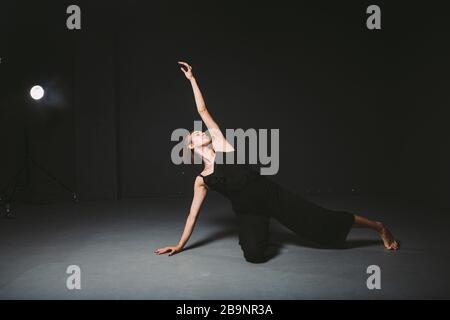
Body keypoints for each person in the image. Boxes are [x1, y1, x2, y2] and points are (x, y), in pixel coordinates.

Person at [154, 61, 399, 263]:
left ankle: (378, 227)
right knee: (253, 255)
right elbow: (192, 216)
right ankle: (259, 230)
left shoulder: (222, 145)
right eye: (194, 135)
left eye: (199, 131)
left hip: (271, 195)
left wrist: (192, 80)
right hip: (249, 211)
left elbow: (203, 111)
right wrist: (179, 244)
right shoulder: (201, 180)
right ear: (191, 147)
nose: (199, 132)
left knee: (321, 223)